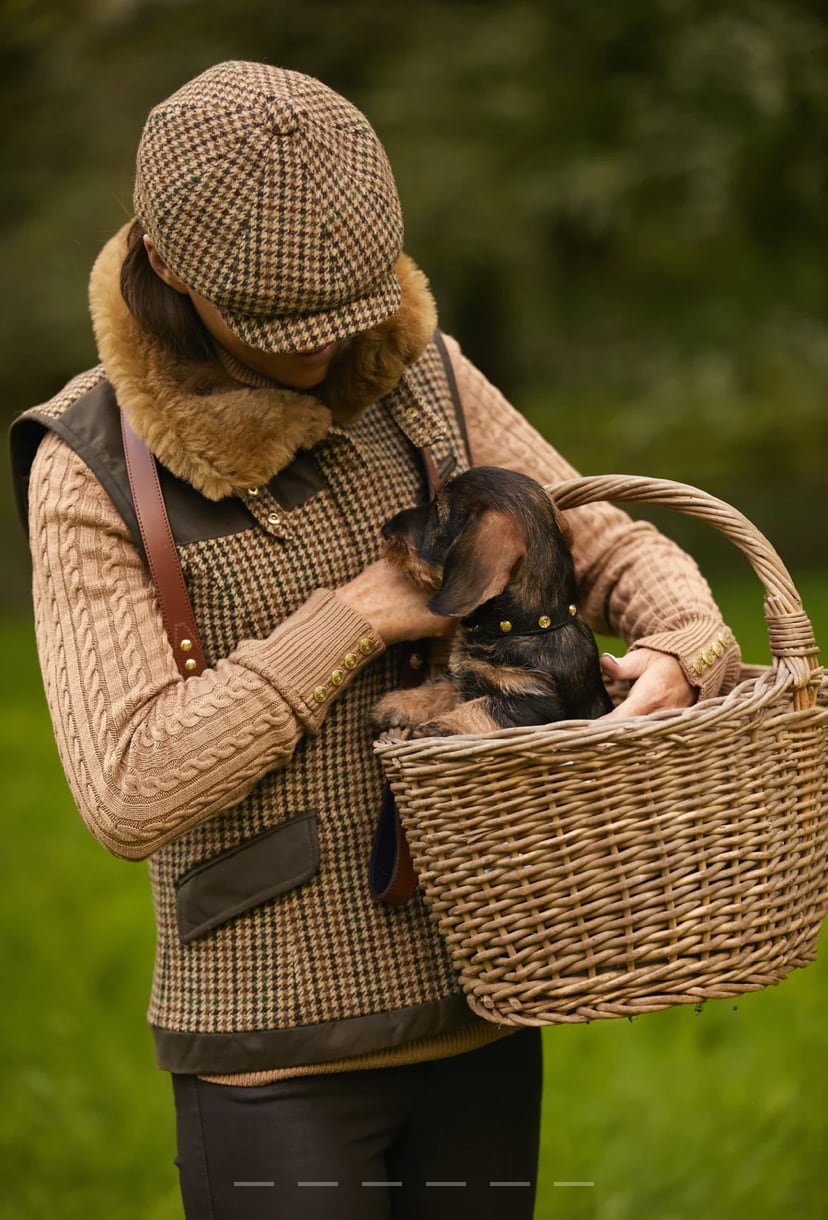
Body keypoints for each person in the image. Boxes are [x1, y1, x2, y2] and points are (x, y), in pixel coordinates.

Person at [10, 61, 740, 1220]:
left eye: (349, 317)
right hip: (271, 1054)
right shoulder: (90, 466)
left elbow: (597, 541)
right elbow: (126, 788)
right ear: (165, 266)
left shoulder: (420, 371)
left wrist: (686, 649)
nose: (329, 352)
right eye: (289, 328)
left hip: (484, 992)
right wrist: (352, 618)